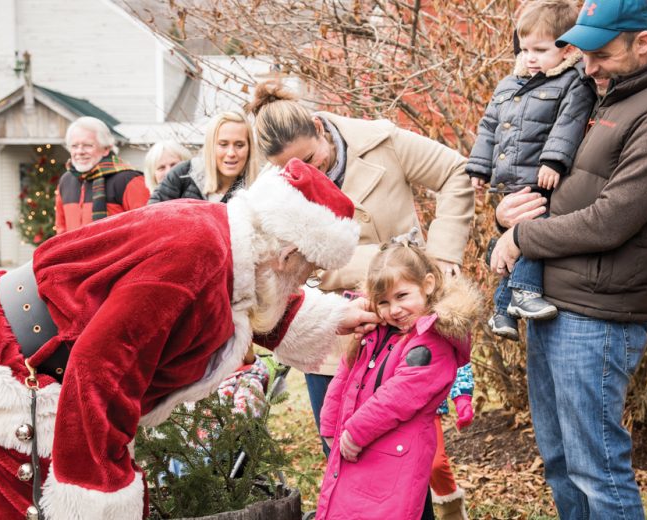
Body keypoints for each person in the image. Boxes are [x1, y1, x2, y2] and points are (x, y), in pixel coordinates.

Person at [0, 159, 381, 520]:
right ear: (286, 255)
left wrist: (336, 317)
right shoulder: (197, 255)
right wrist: (97, 492)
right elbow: (101, 367)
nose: (303, 283)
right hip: (13, 369)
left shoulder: (230, 241)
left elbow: (251, 298)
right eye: (308, 272)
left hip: (38, 358)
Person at [490, 0, 647, 516]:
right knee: (561, 463)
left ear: (642, 42)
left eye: (602, 54)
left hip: (598, 317)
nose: (588, 67)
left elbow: (611, 220)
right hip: (554, 304)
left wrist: (522, 238)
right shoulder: (603, 98)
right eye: (584, 54)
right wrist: (509, 213)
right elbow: (562, 192)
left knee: (597, 470)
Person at [247, 82, 474, 458]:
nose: (306, 173)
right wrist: (377, 260)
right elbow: (280, 269)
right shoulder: (270, 193)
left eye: (311, 158)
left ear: (319, 127)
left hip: (403, 326)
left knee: (405, 458)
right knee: (342, 454)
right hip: (336, 338)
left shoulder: (381, 142)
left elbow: (455, 172)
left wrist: (441, 256)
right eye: (291, 169)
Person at [315, 239, 481, 520]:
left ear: (427, 285)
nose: (394, 310)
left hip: (396, 457)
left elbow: (399, 395)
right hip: (362, 449)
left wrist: (354, 432)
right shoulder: (378, 331)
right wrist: (330, 424)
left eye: (402, 296)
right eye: (383, 302)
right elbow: (346, 373)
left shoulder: (432, 341)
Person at [467, 0, 596, 341]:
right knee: (526, 230)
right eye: (525, 50)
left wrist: (553, 160)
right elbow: (489, 126)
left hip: (542, 176)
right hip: (512, 177)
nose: (530, 58)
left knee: (533, 231)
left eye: (540, 50)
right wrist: (479, 167)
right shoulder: (509, 85)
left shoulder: (572, 82)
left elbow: (569, 122)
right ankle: (516, 298)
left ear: (567, 49)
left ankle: (509, 304)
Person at [55, 116, 149, 234]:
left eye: (88, 145)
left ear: (106, 149)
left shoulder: (129, 180)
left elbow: (146, 228)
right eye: (74, 146)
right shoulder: (66, 180)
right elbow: (61, 230)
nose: (80, 151)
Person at [148, 111, 259, 204]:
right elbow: (148, 217)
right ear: (210, 146)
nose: (231, 153)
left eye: (239, 145)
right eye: (223, 144)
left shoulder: (259, 187)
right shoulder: (183, 174)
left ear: (249, 148)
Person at [430, 363, 474, 520]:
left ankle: (452, 512)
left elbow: (459, 361)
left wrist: (462, 400)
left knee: (435, 464)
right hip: (387, 408)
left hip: (428, 407)